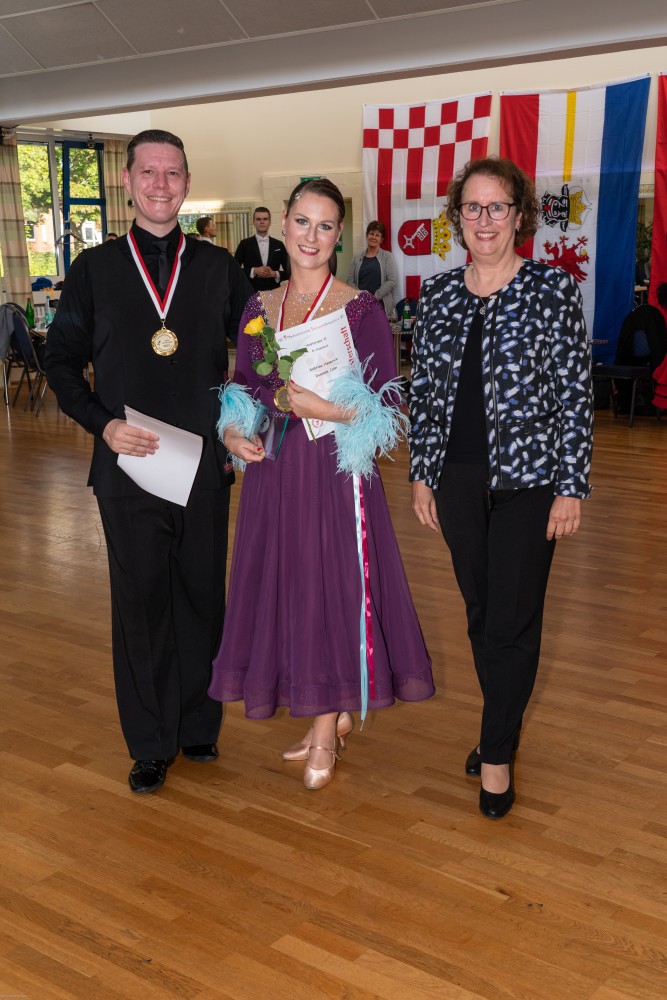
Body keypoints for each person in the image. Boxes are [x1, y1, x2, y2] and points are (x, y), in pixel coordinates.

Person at [45, 129, 253, 795]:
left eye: (173, 173)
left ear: (186, 183)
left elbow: (261, 353)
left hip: (203, 465)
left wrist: (242, 420)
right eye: (149, 173)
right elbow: (58, 360)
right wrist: (102, 425)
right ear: (128, 181)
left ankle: (197, 726)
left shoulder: (218, 268)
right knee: (140, 606)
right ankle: (150, 742)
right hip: (128, 466)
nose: (161, 185)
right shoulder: (94, 270)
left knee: (201, 599)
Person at [211, 178, 434, 789]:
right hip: (275, 469)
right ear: (283, 224)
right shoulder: (259, 309)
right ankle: (327, 715)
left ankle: (323, 728)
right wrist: (232, 432)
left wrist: (324, 408)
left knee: (331, 586)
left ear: (340, 235)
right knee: (291, 586)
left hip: (337, 472)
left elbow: (387, 406)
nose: (312, 236)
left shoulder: (359, 309)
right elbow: (245, 388)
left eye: (326, 225)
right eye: (303, 221)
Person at [410, 156, 593, 820]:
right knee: (482, 614)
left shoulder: (550, 289)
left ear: (519, 216)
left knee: (512, 621)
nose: (484, 219)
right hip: (456, 481)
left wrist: (571, 485)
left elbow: (575, 393)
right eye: (472, 207)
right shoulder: (437, 293)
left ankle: (494, 756)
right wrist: (421, 474)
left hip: (531, 481)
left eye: (497, 207)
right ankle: (501, 724)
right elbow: (425, 393)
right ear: (457, 216)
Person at [347, 220, 398, 318]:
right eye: (371, 234)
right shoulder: (356, 258)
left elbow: (392, 280)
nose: (373, 237)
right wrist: (361, 296)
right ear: (367, 236)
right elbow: (350, 281)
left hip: (381, 306)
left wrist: (376, 296)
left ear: (381, 239)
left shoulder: (387, 256)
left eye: (377, 235)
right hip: (360, 306)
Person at [234, 206, 290, 292]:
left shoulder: (279, 245)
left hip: (274, 293)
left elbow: (290, 272)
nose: (262, 222)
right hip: (250, 292)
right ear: (253, 222)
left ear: (270, 222)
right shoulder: (244, 244)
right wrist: (254, 271)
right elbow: (234, 269)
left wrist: (274, 274)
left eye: (265, 219)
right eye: (258, 219)